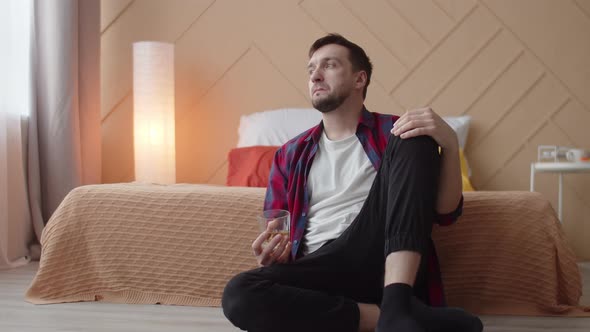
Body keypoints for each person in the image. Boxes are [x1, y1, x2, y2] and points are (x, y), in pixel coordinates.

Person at [222, 33, 483, 332]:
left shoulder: (396, 133)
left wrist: (448, 143)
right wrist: (271, 253)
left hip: (381, 258)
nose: (316, 76)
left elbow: (445, 213)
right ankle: (396, 318)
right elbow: (278, 232)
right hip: (318, 265)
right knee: (238, 294)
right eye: (311, 70)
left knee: (413, 130)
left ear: (360, 79)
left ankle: (397, 301)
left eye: (329, 65)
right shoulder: (290, 154)